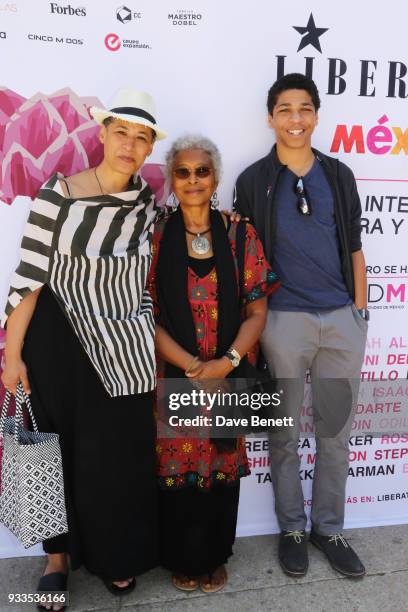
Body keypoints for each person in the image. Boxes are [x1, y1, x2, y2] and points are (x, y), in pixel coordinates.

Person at [1, 87, 167, 608]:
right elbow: (29, 276)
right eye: (122, 132)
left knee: (116, 456)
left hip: (123, 344)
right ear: (103, 134)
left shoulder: (145, 203)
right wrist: (13, 355)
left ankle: (115, 553)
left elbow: (140, 277)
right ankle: (56, 559)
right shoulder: (60, 193)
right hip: (60, 338)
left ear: (148, 149)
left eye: (142, 138)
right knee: (54, 448)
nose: (130, 144)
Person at [233, 73, 368, 578]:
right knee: (283, 433)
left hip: (340, 322)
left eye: (304, 108)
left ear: (316, 115)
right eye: (285, 109)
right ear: (271, 117)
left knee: (335, 433)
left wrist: (359, 313)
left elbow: (354, 246)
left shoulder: (338, 175)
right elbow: (244, 258)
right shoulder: (252, 181)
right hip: (283, 321)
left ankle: (328, 529)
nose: (295, 118)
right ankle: (291, 528)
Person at [147, 135, 279, 593]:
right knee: (177, 467)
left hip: (229, 375)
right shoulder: (157, 236)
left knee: (220, 463)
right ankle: (182, 557)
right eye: (182, 172)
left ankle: (214, 555)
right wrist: (192, 368)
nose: (193, 180)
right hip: (174, 373)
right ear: (172, 179)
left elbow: (257, 310)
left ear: (216, 177)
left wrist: (226, 362)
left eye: (202, 170)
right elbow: (145, 313)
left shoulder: (240, 233)